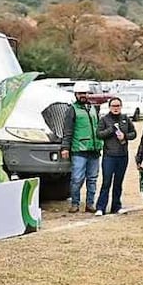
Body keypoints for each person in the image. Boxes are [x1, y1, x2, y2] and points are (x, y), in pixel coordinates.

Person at [60, 82, 103, 213]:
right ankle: (75, 203)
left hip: (94, 150)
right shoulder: (72, 109)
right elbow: (67, 130)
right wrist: (65, 147)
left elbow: (98, 127)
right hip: (79, 150)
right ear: (76, 94)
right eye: (80, 93)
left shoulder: (93, 108)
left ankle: (90, 204)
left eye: (84, 93)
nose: (83, 95)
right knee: (77, 178)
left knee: (92, 179)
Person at [94, 97, 136, 216]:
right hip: (109, 156)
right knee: (106, 182)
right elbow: (99, 134)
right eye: (113, 106)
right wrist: (111, 130)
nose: (116, 108)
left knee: (118, 182)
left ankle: (116, 206)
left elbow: (134, 133)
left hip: (122, 155)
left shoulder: (125, 119)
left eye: (118, 106)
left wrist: (125, 136)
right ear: (110, 107)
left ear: (121, 107)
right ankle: (101, 207)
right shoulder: (104, 119)